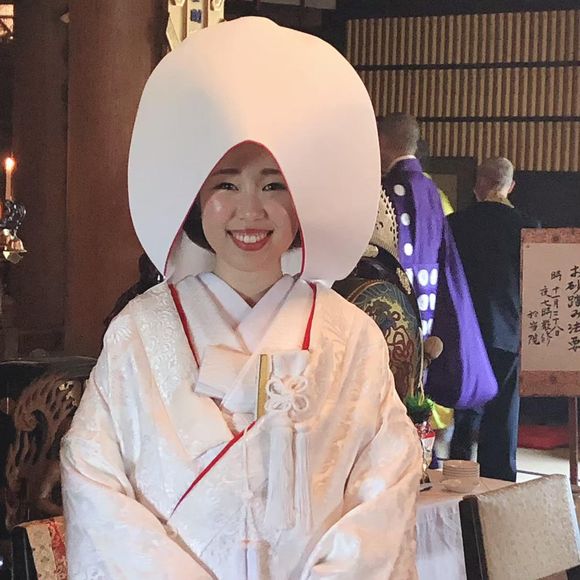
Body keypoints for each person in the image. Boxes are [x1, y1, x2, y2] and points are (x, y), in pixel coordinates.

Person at [61, 18, 422, 580]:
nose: (250, 210)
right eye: (225, 184)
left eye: (273, 185)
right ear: (195, 198)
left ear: (302, 201)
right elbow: (93, 481)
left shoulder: (350, 338)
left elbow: (387, 490)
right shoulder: (140, 332)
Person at [378, 112, 498, 413]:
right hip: (429, 305)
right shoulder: (432, 190)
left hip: (396, 308)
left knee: (390, 393)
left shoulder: (388, 190)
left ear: (381, 142)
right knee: (416, 389)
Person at [448, 157, 540, 481]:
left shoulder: (456, 224)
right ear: (510, 186)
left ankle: (457, 475)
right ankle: (498, 483)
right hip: (508, 329)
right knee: (502, 412)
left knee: (466, 405)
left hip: (466, 329)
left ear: (479, 183)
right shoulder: (527, 227)